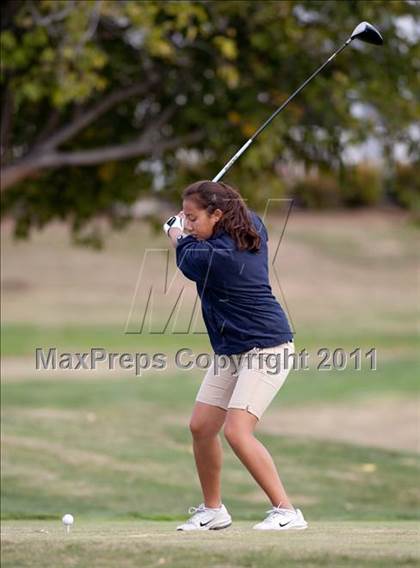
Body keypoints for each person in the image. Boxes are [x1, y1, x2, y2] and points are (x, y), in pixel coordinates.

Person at [163, 180, 307, 532]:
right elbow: (237, 219)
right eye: (187, 218)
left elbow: (190, 261)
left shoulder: (220, 256)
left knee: (238, 431)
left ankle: (287, 512)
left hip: (267, 346)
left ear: (217, 214)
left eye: (195, 218)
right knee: (201, 427)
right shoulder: (248, 225)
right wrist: (196, 217)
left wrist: (177, 234)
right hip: (232, 349)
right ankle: (214, 511)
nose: (191, 224)